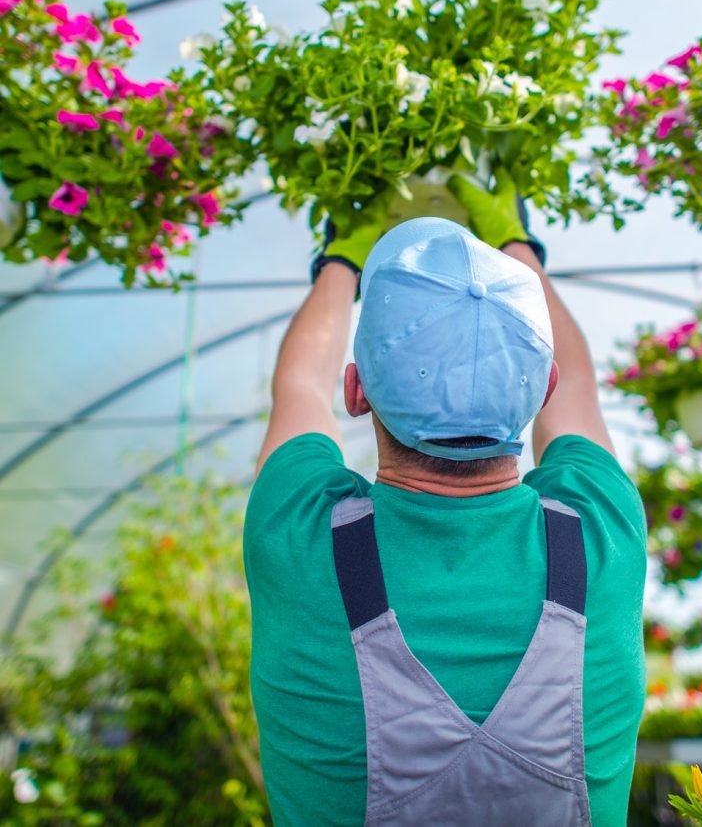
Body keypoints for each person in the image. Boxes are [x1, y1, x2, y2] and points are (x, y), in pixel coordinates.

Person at [244, 175, 647, 826]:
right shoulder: (600, 532)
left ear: (357, 392)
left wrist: (340, 260)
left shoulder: (295, 534)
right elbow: (576, 387)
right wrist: (519, 248)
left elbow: (298, 384)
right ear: (540, 387)